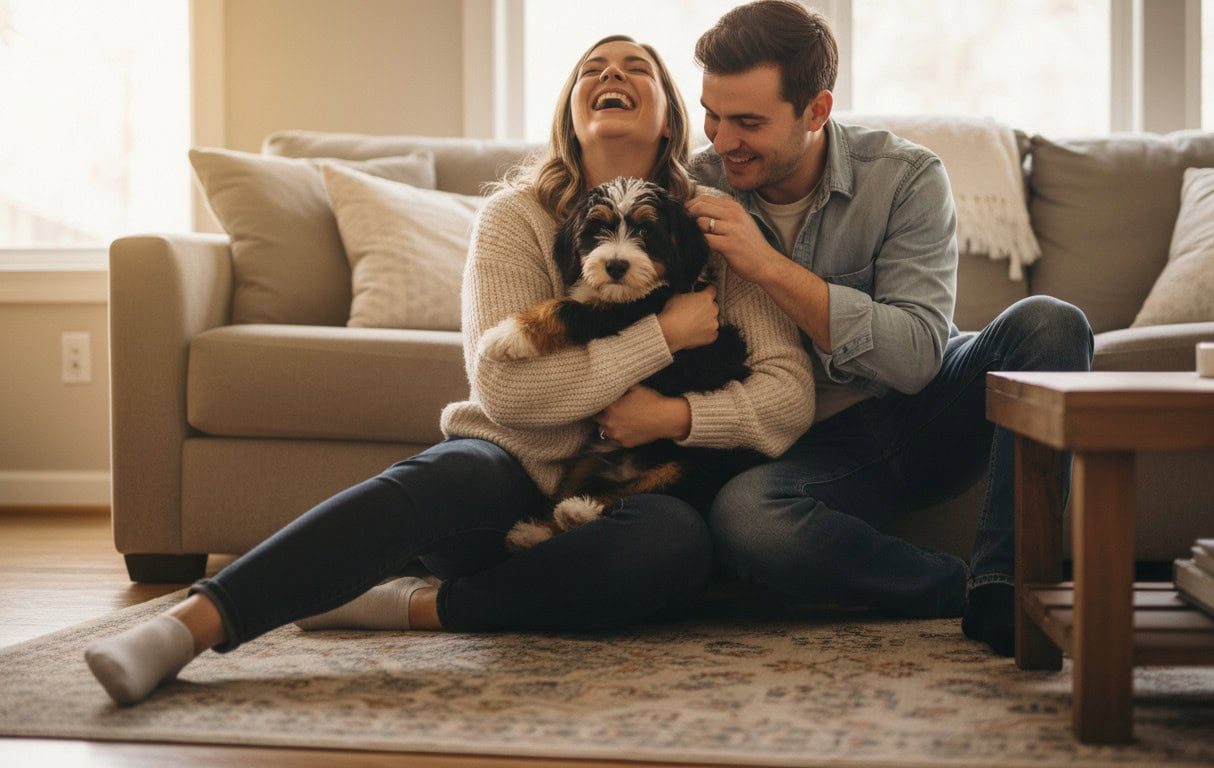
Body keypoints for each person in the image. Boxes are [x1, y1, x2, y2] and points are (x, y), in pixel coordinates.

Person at [84, 34, 814, 706]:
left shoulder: (715, 226)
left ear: (669, 121)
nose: (610, 73)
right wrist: (657, 335)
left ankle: (411, 605)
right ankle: (188, 625)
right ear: (570, 115)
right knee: (441, 476)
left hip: (621, 503)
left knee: (673, 549)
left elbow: (788, 393)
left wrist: (674, 417)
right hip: (499, 480)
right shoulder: (513, 218)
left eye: (635, 70)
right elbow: (505, 390)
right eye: (591, 68)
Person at [684, 0, 1094, 657]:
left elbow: (916, 358)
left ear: (817, 111)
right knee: (747, 521)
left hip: (923, 411)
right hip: (808, 447)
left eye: (748, 122)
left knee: (1051, 324)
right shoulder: (695, 185)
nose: (721, 140)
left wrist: (768, 268)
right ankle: (960, 587)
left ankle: (1008, 585)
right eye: (711, 114)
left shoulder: (906, 178)